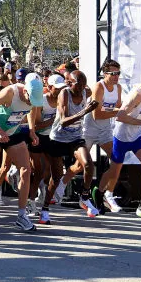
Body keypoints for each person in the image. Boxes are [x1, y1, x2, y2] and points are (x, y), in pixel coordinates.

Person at [0, 72, 45, 232]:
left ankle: (22, 215)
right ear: (25, 91)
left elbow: (32, 110)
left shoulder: (35, 96)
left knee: (26, 170)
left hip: (13, 133)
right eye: (30, 98)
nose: (31, 102)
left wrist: (31, 130)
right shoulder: (10, 92)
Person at [99, 77, 141, 220]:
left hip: (137, 136)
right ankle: (98, 194)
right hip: (121, 137)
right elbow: (120, 116)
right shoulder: (136, 95)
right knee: (114, 171)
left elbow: (138, 113)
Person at [45, 70, 100, 222]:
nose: (82, 88)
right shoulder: (65, 94)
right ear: (69, 83)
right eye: (79, 85)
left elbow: (92, 92)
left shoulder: (85, 91)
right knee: (55, 178)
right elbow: (63, 121)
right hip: (58, 137)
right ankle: (44, 208)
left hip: (75, 137)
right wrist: (85, 111)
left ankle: (84, 196)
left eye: (84, 84)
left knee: (88, 164)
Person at [91, 59, 124, 212]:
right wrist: (118, 111)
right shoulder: (99, 86)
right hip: (88, 129)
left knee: (117, 161)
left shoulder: (118, 88)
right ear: (105, 74)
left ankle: (106, 194)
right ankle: (61, 187)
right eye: (113, 73)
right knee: (81, 166)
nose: (116, 76)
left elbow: (119, 109)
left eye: (118, 73)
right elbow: (96, 115)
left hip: (105, 130)